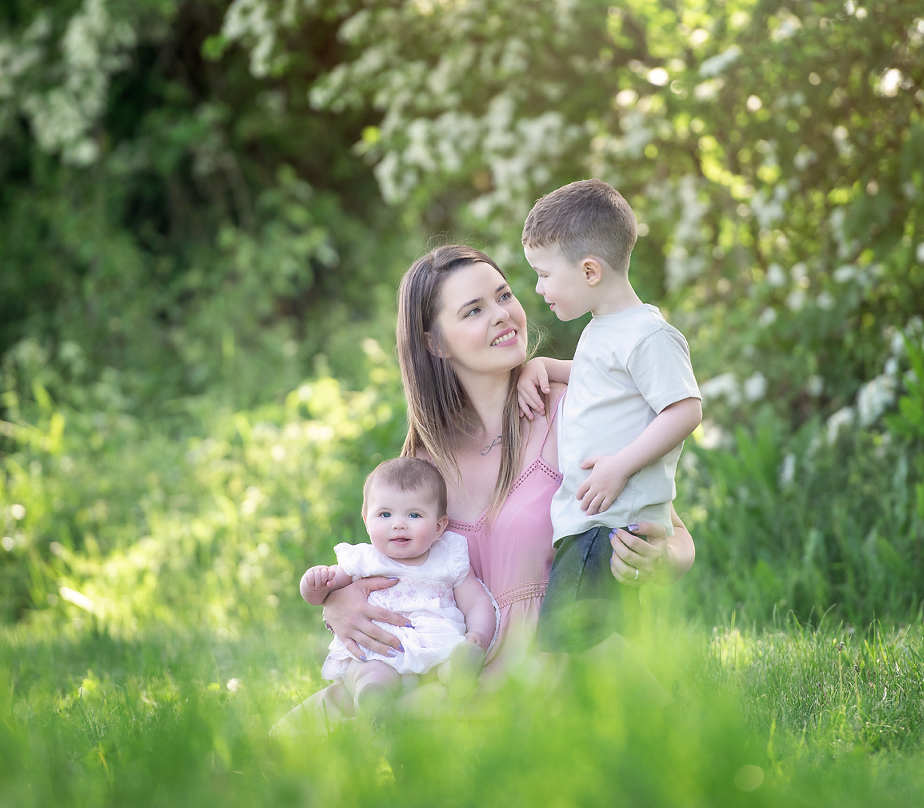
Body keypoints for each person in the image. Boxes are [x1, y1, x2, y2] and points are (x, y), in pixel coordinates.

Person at [277, 245, 695, 732]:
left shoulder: (574, 412)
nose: (502, 315)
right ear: (435, 342)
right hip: (455, 670)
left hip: (558, 667)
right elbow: (393, 572)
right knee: (287, 744)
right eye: (474, 310)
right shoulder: (422, 464)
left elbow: (676, 536)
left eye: (503, 296)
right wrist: (337, 605)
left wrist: (660, 560)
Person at [521, 179, 702, 653]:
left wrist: (621, 465)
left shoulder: (647, 335)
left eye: (543, 274)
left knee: (571, 646)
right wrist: (542, 366)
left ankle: (631, 718)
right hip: (593, 525)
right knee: (600, 641)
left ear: (589, 270)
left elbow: (685, 409)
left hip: (608, 524)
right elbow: (591, 377)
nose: (538, 288)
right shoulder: (605, 330)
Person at [299, 457, 495, 715]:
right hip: (380, 651)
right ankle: (374, 703)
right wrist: (313, 585)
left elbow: (476, 602)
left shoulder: (449, 556)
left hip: (436, 644)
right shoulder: (364, 558)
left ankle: (458, 672)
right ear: (367, 520)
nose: (398, 523)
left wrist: (477, 637)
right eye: (385, 514)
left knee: (449, 661)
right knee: (370, 674)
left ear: (439, 526)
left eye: (414, 514)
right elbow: (325, 590)